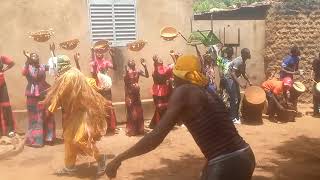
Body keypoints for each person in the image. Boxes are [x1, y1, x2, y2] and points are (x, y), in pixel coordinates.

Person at [105, 55, 255, 180]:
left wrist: (119, 159)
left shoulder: (183, 91)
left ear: (179, 75)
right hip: (244, 155)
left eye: (174, 74)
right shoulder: (208, 91)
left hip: (224, 163)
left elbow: (156, 137)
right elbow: (220, 131)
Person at [44, 55, 110, 176]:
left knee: (80, 139)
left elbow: (60, 93)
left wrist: (51, 109)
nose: (52, 69)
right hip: (74, 114)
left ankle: (101, 159)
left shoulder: (70, 76)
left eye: (54, 66)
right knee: (69, 139)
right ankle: (70, 167)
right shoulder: (69, 74)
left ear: (60, 66)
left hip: (82, 113)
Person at [22, 51, 55, 147]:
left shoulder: (42, 67)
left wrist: (52, 52)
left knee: (47, 113)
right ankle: (36, 139)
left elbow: (54, 67)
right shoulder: (27, 67)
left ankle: (48, 137)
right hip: (32, 94)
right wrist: (27, 60)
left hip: (44, 92)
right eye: (32, 56)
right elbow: (23, 72)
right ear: (30, 58)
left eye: (36, 55)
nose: (34, 57)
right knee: (34, 116)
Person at [90, 48, 117, 134]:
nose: (99, 54)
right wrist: (94, 66)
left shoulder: (106, 62)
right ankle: (100, 127)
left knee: (108, 105)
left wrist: (113, 57)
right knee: (98, 106)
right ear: (95, 53)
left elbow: (115, 67)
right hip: (97, 87)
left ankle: (111, 126)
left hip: (106, 87)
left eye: (101, 52)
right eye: (97, 52)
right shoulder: (93, 63)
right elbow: (93, 75)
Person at [225, 48, 252, 124]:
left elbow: (243, 73)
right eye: (247, 53)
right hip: (229, 79)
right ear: (243, 54)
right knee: (234, 98)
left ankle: (236, 115)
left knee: (239, 98)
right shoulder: (238, 61)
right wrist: (240, 84)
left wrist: (249, 81)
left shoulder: (243, 62)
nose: (249, 55)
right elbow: (233, 73)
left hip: (234, 79)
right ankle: (232, 118)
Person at [124, 58, 149, 136]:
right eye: (130, 61)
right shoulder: (127, 71)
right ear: (128, 64)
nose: (132, 62)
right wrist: (126, 73)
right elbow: (125, 82)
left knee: (139, 111)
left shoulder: (138, 71)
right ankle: (132, 130)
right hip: (130, 93)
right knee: (132, 112)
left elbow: (147, 76)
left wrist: (145, 67)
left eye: (133, 60)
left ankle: (140, 129)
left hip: (137, 93)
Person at [149, 55, 173, 129]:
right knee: (159, 107)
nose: (160, 59)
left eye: (160, 58)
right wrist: (155, 61)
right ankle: (157, 123)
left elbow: (172, 69)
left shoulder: (165, 68)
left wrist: (174, 57)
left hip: (165, 89)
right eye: (158, 59)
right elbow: (159, 73)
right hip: (157, 90)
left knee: (166, 106)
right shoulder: (155, 70)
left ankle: (164, 123)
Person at [0, 55, 15, 137]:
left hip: (2, 84)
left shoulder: (1, 58)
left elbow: (12, 63)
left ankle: (9, 130)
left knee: (5, 106)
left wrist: (4, 70)